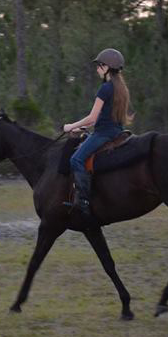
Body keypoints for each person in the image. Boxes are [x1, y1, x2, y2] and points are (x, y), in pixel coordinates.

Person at [63, 48, 132, 216]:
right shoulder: (121, 88)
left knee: (76, 159)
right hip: (116, 131)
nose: (97, 69)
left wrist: (71, 126)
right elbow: (105, 118)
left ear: (106, 67)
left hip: (104, 134)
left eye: (99, 66)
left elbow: (93, 118)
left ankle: (84, 202)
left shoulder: (105, 88)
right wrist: (81, 129)